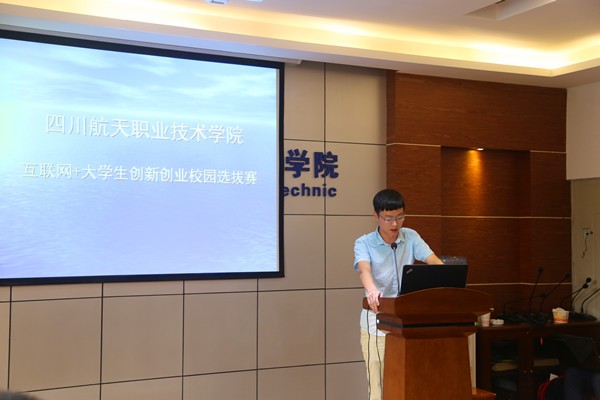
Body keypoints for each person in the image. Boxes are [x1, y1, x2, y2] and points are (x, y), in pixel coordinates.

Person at [354, 188, 443, 400]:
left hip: (406, 322)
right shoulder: (364, 242)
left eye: (400, 217)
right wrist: (372, 290)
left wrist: (445, 278)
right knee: (379, 385)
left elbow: (435, 263)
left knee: (408, 381)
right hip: (377, 321)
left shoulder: (410, 236)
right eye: (388, 218)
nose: (395, 224)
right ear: (376, 216)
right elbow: (364, 270)